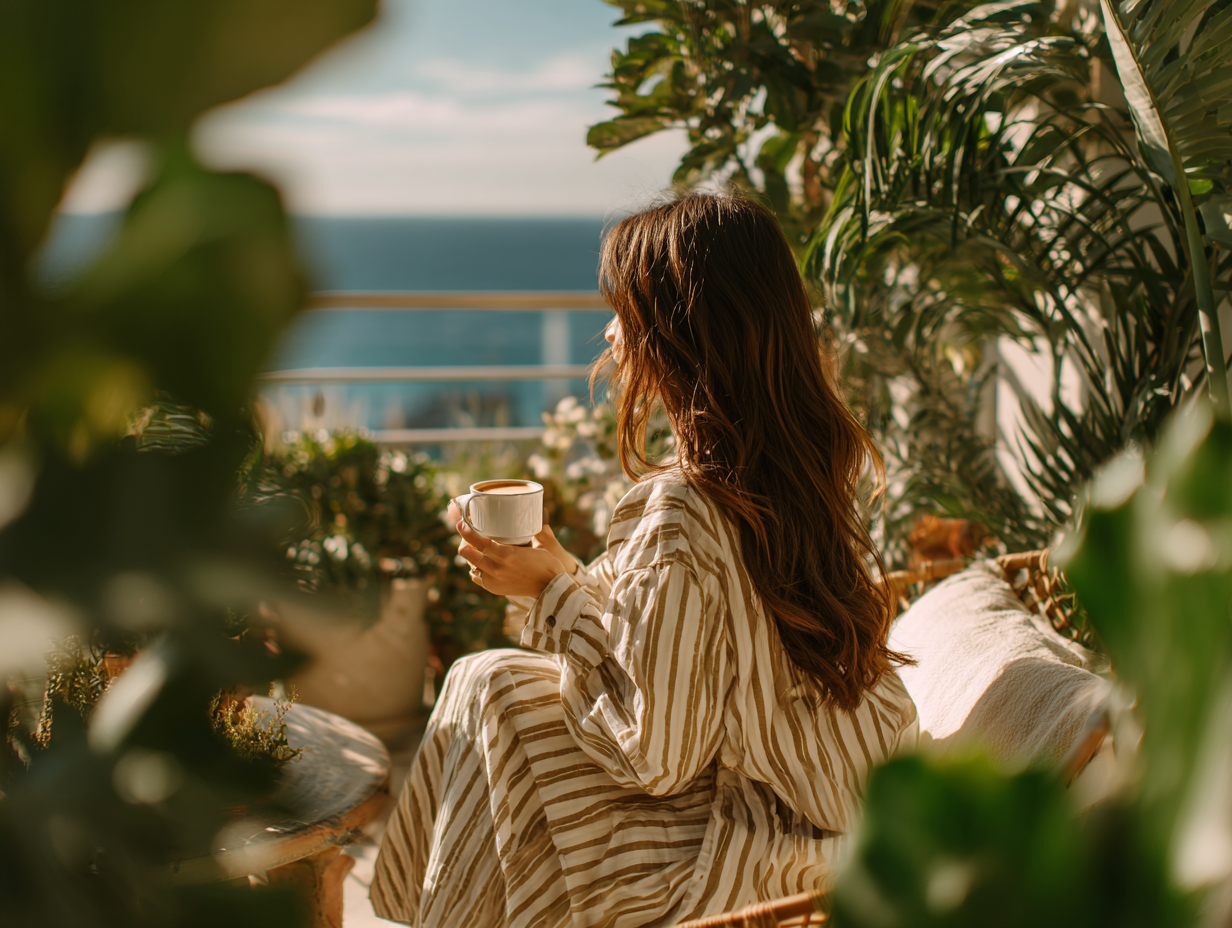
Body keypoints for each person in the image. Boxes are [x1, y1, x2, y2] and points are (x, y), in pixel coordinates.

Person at [370, 194, 917, 928]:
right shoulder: (800, 467)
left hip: (757, 852)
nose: (609, 332)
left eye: (625, 313)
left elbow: (656, 756)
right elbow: (692, 647)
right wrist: (563, 573)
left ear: (677, 334)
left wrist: (557, 596)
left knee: (492, 701)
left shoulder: (684, 507)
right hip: (839, 805)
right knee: (488, 686)